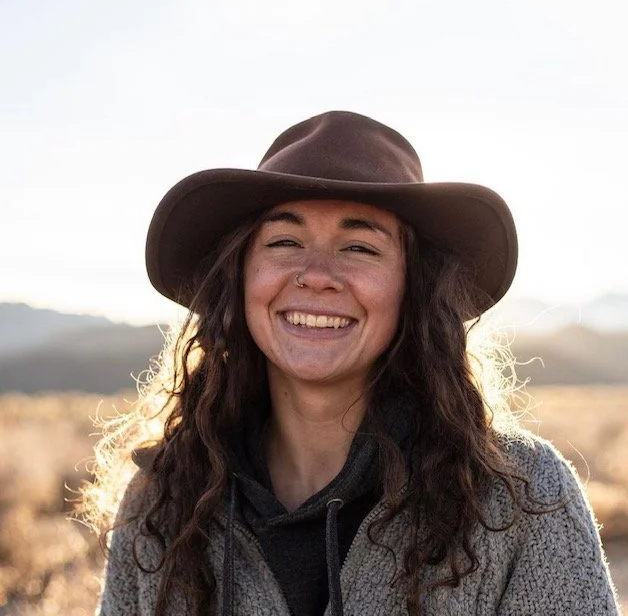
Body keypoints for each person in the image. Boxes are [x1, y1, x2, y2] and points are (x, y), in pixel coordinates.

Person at [90, 111, 620, 615]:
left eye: (359, 248)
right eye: (284, 241)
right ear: (240, 278)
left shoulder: (521, 497)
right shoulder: (161, 504)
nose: (316, 274)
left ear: (414, 287)